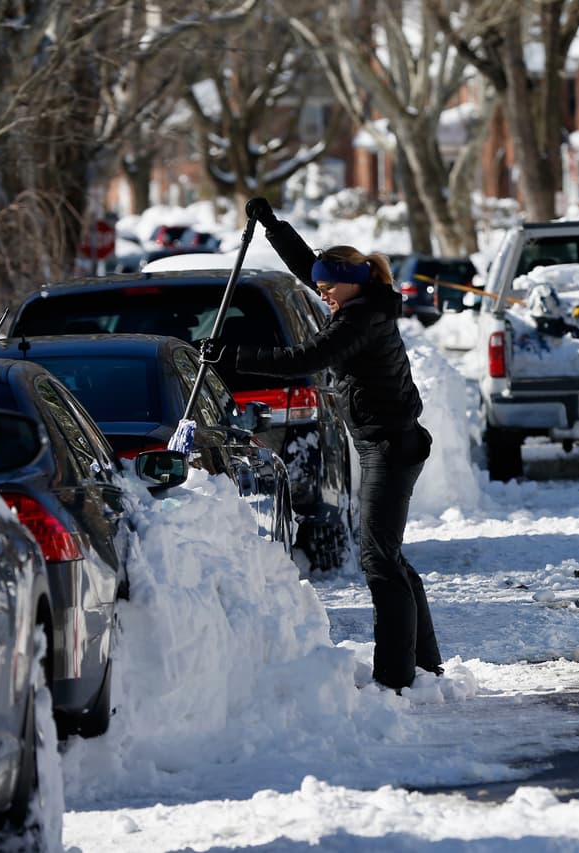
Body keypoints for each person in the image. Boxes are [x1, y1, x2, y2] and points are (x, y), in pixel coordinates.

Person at [227, 196, 443, 691]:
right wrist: (274, 227)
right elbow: (309, 267)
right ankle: (424, 663)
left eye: (327, 288)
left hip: (390, 445)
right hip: (386, 441)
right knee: (388, 556)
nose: (321, 293)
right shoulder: (358, 299)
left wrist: (234, 356)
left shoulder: (359, 319)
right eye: (320, 287)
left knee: (378, 560)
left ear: (350, 282)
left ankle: (395, 677)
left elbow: (304, 358)